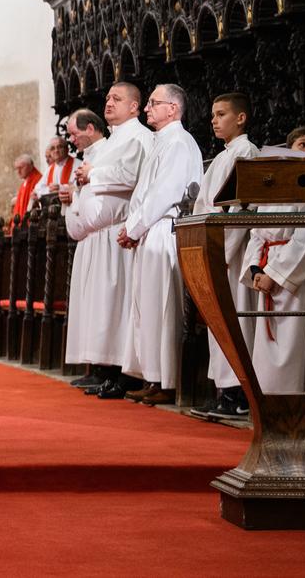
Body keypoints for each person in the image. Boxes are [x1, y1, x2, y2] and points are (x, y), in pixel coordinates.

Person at [119, 84, 205, 407]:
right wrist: (134, 227)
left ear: (173, 109)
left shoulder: (180, 143)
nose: (146, 109)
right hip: (148, 230)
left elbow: (164, 193)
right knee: (148, 306)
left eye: (153, 103)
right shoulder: (162, 142)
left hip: (163, 229)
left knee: (163, 307)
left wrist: (133, 227)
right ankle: (152, 376)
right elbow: (145, 191)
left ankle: (166, 379)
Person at [69, 86, 152, 400]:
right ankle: (107, 369)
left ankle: (123, 373)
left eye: (117, 99)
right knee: (104, 305)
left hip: (121, 231)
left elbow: (131, 176)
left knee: (117, 306)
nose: (109, 103)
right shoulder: (116, 138)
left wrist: (94, 173)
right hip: (102, 232)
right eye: (107, 98)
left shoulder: (137, 137)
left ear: (134, 106)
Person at [190, 92, 260, 421]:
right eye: (213, 115)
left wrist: (222, 253)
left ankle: (238, 395)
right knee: (220, 321)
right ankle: (225, 392)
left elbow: (240, 209)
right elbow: (207, 204)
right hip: (214, 245)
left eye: (221, 114)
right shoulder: (223, 156)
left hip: (231, 250)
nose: (214, 121)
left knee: (233, 320)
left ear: (241, 118)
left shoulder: (246, 152)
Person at [242, 126, 305, 393]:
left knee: (290, 339)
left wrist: (274, 274)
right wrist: (256, 269)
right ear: (289, 150)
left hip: (290, 275)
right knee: (265, 343)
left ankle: (289, 402)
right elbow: (257, 232)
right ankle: (264, 399)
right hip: (266, 264)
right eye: (303, 145)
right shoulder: (273, 184)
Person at [8, 153, 40, 226]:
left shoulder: (37, 180)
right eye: (17, 168)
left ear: (30, 166)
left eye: (21, 168)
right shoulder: (24, 183)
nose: (18, 171)